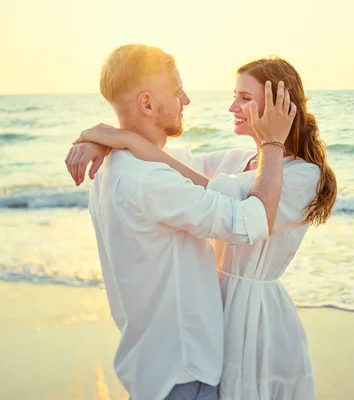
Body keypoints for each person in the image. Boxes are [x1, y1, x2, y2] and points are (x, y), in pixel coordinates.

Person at [68, 57, 337, 400]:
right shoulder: (237, 162)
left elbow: (245, 213)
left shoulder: (304, 176)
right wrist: (107, 140)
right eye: (234, 95)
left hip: (254, 313)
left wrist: (126, 139)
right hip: (210, 317)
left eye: (244, 98)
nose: (232, 107)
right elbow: (179, 169)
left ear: (279, 108)